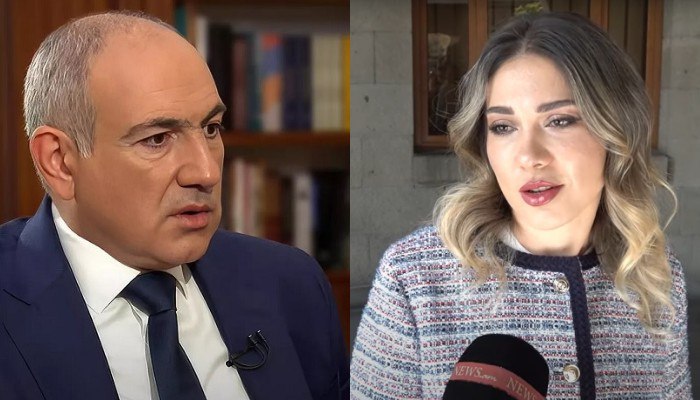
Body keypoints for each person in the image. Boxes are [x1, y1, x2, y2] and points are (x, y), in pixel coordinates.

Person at [0, 11, 348, 400]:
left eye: (211, 129)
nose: (206, 172)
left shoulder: (292, 283)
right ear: (60, 161)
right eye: (158, 139)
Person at [350, 12, 691, 400]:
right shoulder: (413, 278)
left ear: (616, 128)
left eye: (559, 121)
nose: (529, 156)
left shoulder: (656, 278)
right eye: (503, 127)